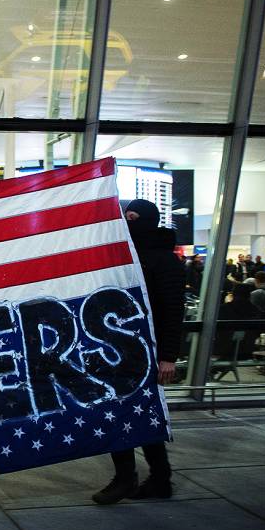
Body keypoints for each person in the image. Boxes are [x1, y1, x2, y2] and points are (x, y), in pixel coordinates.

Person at [92, 199, 184, 505]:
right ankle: (156, 479)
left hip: (148, 352)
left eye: (134, 218)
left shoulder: (164, 261)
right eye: (126, 217)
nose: (129, 222)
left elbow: (173, 311)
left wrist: (168, 356)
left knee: (131, 414)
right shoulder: (123, 256)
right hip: (121, 350)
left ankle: (131, 478)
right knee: (131, 414)